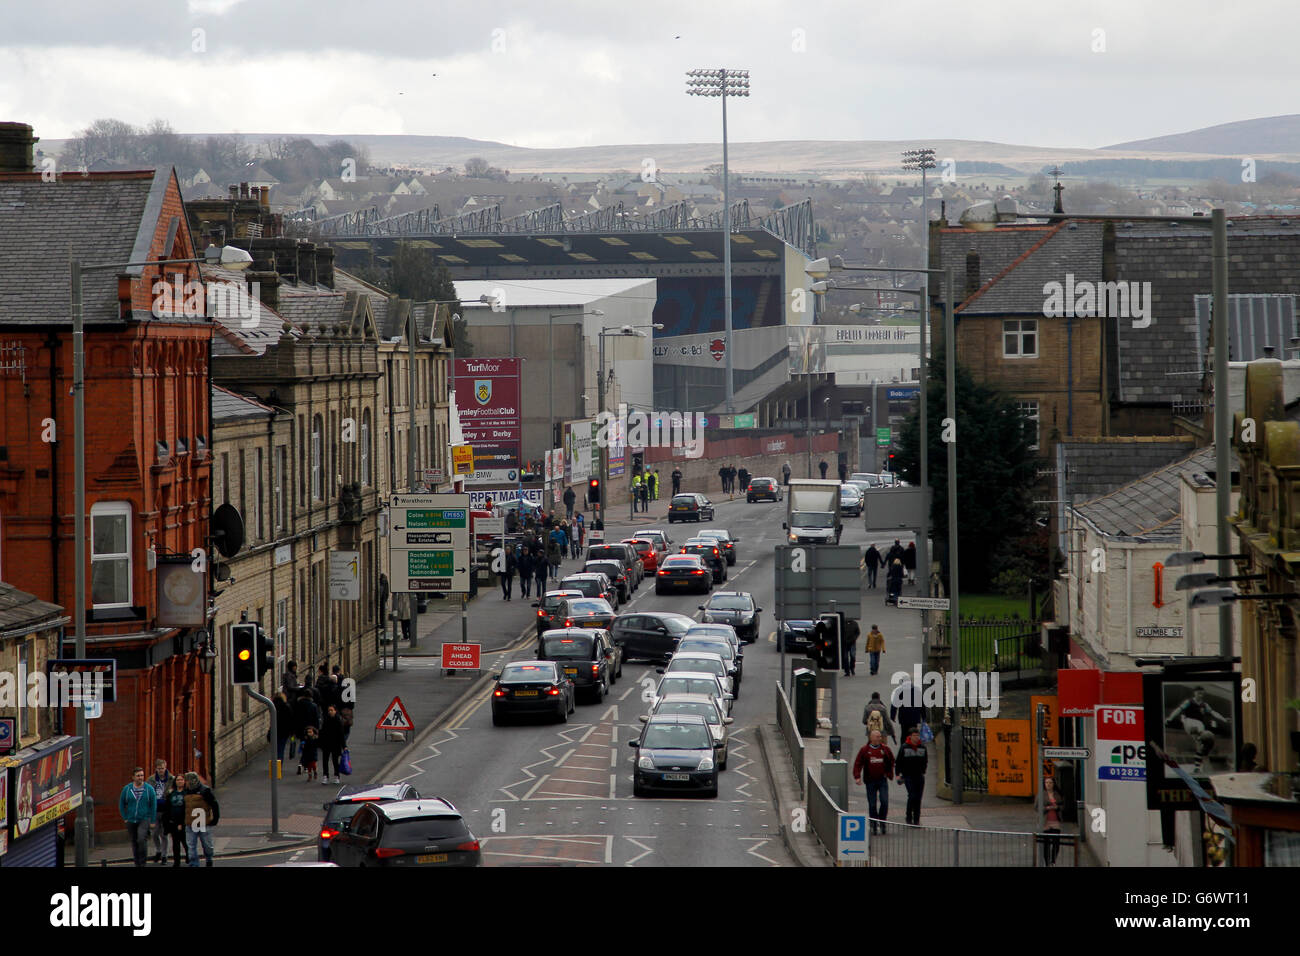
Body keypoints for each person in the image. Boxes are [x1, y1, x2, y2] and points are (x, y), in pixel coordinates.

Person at [852, 730, 895, 836]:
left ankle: (882, 821)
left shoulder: (885, 749)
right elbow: (858, 763)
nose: (879, 738)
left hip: (882, 780)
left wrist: (889, 773)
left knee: (884, 801)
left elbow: (892, 761)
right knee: (872, 804)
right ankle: (874, 824)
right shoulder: (865, 750)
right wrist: (857, 777)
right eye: (877, 737)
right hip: (870, 781)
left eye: (880, 737)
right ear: (871, 738)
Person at [119, 767, 157, 867]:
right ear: (133, 777)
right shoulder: (127, 789)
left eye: (142, 775)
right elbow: (121, 804)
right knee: (134, 841)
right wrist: (125, 817)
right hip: (131, 819)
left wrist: (153, 820)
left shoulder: (149, 789)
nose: (140, 777)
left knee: (141, 839)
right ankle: (137, 863)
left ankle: (143, 862)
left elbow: (153, 805)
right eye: (138, 776)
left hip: (144, 818)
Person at [182, 772, 219, 867]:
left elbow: (214, 805)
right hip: (190, 824)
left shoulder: (205, 790)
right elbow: (183, 807)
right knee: (191, 847)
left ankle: (209, 859)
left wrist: (215, 819)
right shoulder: (185, 791)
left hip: (204, 823)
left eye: (186, 780)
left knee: (207, 846)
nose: (185, 782)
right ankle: (194, 864)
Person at [895, 727, 928, 825]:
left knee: (918, 797)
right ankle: (909, 816)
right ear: (910, 736)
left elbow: (925, 760)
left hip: (919, 776)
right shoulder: (904, 747)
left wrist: (923, 770)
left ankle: (916, 819)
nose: (917, 737)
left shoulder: (922, 747)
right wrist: (898, 775)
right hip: (908, 776)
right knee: (912, 796)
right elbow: (899, 762)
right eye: (915, 735)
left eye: (918, 735)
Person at [147, 758, 175, 863]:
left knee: (164, 834)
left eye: (162, 768)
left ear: (165, 767)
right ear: (156, 769)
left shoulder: (172, 779)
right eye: (159, 769)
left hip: (166, 811)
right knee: (154, 833)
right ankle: (158, 850)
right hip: (154, 811)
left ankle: (164, 855)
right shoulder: (151, 780)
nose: (161, 770)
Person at [161, 773, 189, 866]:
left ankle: (189, 856)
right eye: (177, 780)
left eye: (181, 780)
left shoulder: (187, 793)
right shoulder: (171, 793)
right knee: (175, 843)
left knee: (185, 842)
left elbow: (187, 809)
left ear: (184, 781)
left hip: (184, 822)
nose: (179, 781)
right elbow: (167, 808)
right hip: (173, 822)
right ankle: (177, 862)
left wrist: (182, 823)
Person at [1036, 775, 1063, 866]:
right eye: (1047, 782)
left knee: (1056, 843)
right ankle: (1047, 863)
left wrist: (1057, 807)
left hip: (1055, 822)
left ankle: (1053, 861)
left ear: (1053, 784)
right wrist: (1046, 808)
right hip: (1045, 822)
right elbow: (1036, 807)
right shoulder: (1041, 794)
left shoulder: (1057, 794)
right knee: (1046, 844)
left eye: (1050, 783)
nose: (1048, 784)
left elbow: (1063, 806)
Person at [891, 677, 928, 744]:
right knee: (913, 732)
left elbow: (894, 705)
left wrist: (892, 716)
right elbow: (922, 705)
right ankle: (913, 745)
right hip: (914, 717)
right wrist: (924, 716)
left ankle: (904, 747)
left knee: (904, 733)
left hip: (904, 717)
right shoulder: (917, 691)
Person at [294, 690, 320, 774]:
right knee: (309, 749)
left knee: (304, 746)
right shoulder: (313, 706)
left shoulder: (298, 705)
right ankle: (304, 764)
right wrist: (316, 730)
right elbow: (316, 719)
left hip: (301, 730)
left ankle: (303, 765)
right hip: (310, 730)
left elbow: (295, 717)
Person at [318, 704, 346, 785]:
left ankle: (336, 776)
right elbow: (322, 732)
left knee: (335, 760)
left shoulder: (338, 720)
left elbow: (341, 734)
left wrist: (344, 746)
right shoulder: (326, 720)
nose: (330, 712)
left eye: (331, 710)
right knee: (325, 760)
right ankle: (325, 776)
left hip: (335, 744)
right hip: (326, 743)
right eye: (329, 710)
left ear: (335, 711)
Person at [272, 693, 294, 769]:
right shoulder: (286, 706)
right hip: (284, 731)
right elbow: (291, 719)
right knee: (281, 749)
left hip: (275, 730)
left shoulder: (272, 706)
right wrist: (292, 732)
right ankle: (279, 766)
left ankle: (275, 765)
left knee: (275, 749)